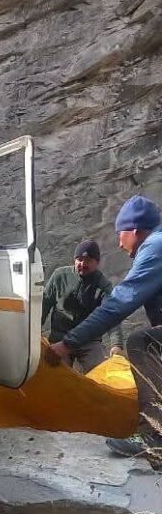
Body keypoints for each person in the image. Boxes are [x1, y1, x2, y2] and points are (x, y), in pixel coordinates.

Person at [47, 195, 162, 455]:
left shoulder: (154, 247)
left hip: (84, 341)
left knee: (142, 343)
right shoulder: (61, 276)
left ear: (134, 230)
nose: (119, 244)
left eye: (120, 234)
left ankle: (155, 436)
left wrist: (68, 344)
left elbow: (117, 306)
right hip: (63, 331)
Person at [41, 240, 124, 372]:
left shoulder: (103, 285)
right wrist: (34, 333)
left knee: (99, 372)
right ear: (74, 260)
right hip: (60, 338)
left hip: (89, 340)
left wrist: (116, 344)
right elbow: (43, 305)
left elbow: (111, 314)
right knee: (55, 372)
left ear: (97, 262)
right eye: (79, 259)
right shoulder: (59, 276)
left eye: (88, 260)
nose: (83, 264)